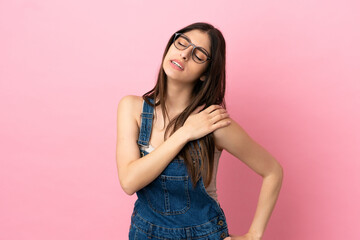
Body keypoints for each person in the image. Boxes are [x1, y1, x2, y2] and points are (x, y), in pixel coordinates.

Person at [116, 22, 283, 240]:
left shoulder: (214, 124)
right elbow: (129, 181)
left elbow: (273, 171)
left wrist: (253, 235)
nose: (184, 54)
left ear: (206, 73)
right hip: (143, 233)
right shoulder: (131, 108)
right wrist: (185, 132)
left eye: (199, 55)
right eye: (182, 42)